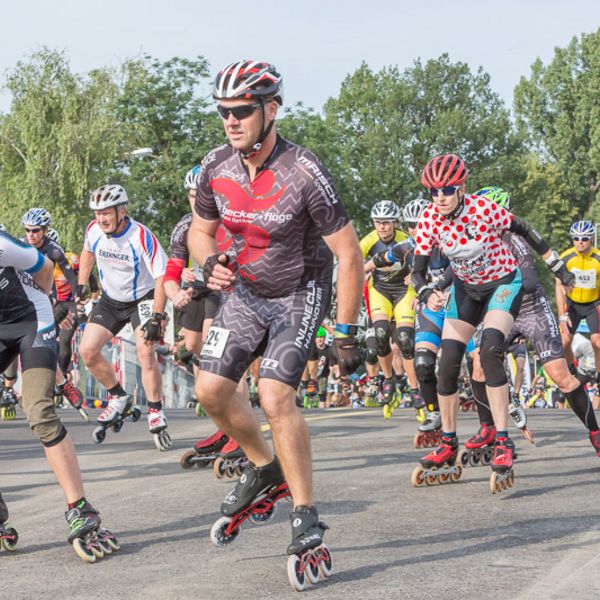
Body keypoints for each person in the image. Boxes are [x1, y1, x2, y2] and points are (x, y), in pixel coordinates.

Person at [188, 59, 362, 588]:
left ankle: (306, 513)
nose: (231, 121)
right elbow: (200, 230)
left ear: (271, 109)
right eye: (223, 112)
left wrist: (348, 331)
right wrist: (207, 261)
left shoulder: (304, 171)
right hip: (244, 291)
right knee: (211, 390)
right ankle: (266, 468)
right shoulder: (215, 165)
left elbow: (349, 253)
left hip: (299, 292)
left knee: (275, 395)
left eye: (241, 111)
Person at [410, 154, 574, 491]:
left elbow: (526, 229)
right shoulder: (429, 219)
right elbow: (417, 268)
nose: (439, 196)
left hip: (502, 283)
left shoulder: (483, 210)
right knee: (448, 363)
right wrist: (426, 291)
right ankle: (448, 440)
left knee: (488, 352)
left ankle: (502, 439)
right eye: (433, 191)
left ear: (462, 187)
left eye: (447, 189)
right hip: (467, 289)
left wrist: (556, 265)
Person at [0, 228, 117, 561]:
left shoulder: (2, 245)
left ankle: (80, 506)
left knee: (39, 411)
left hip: (32, 321)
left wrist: (46, 303)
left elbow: (44, 269)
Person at [76, 184, 172, 451]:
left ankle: (155, 410)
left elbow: (162, 276)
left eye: (107, 212)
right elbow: (87, 252)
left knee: (145, 350)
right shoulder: (93, 230)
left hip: (142, 299)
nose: (101, 219)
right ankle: (118, 396)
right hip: (110, 299)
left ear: (122, 210)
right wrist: (83, 282)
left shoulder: (141, 236)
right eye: (97, 213)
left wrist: (157, 316)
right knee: (87, 350)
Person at [21, 209, 85, 415]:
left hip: (50, 300)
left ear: (45, 231)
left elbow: (72, 277)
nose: (31, 234)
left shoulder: (55, 250)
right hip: (22, 298)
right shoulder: (20, 245)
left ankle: (62, 382)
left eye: (36, 230)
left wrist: (78, 298)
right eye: (27, 230)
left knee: (54, 341)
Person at [360, 201, 419, 412]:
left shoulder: (406, 239)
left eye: (387, 222)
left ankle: (415, 387)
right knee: (380, 334)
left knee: (404, 338)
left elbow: (423, 260)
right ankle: (388, 380)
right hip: (380, 290)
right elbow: (353, 262)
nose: (383, 227)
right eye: (378, 223)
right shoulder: (368, 240)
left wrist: (418, 274)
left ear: (395, 222)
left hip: (404, 289)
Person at [556, 221, 600, 391]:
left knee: (597, 342)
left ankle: (598, 376)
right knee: (565, 341)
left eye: (584, 238)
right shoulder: (566, 257)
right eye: (576, 238)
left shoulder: (597, 258)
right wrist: (561, 315)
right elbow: (559, 287)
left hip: (594, 304)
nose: (580, 241)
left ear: (591, 239)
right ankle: (571, 369)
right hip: (572, 304)